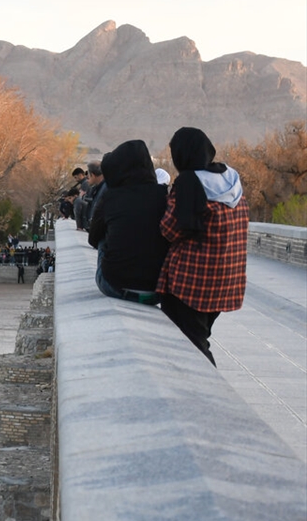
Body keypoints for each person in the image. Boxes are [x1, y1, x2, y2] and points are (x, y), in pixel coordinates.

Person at [157, 127, 249, 367]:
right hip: (227, 279)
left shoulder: (189, 183)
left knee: (193, 345)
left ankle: (214, 398)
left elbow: (169, 229)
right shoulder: (232, 181)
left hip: (193, 282)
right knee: (199, 337)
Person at [87, 140, 169, 305]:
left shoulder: (111, 197)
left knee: (105, 233)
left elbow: (93, 239)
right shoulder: (165, 196)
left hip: (114, 287)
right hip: (158, 292)